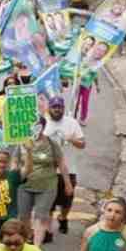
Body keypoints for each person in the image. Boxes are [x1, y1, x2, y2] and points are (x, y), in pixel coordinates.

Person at [18, 120, 70, 247]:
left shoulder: (52, 144)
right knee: (23, 216)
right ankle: (28, 237)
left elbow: (62, 163)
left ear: (43, 127)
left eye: (38, 126)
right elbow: (14, 161)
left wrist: (67, 183)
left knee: (41, 216)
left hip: (47, 186)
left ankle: (36, 247)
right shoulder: (22, 143)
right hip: (25, 185)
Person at [41, 95, 86, 234]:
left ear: (63, 108)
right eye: (54, 107)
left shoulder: (71, 123)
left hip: (69, 169)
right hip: (49, 170)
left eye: (59, 107)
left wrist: (71, 139)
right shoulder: (43, 123)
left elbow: (82, 144)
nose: (57, 110)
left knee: (67, 201)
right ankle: (47, 231)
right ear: (49, 109)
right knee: (49, 204)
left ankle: (63, 217)